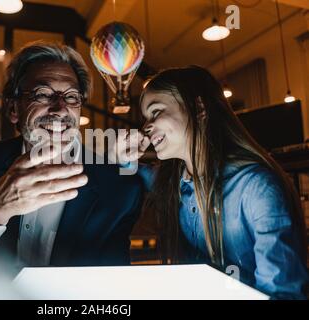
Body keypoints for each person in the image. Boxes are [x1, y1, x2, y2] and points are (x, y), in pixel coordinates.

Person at [115, 65, 308, 299]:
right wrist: (124, 158)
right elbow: (131, 173)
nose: (145, 127)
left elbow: (283, 293)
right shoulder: (171, 182)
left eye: (155, 112)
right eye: (146, 118)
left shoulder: (257, 188)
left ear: (199, 108)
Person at [0, 41, 143, 268]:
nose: (60, 108)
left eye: (71, 97)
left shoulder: (120, 188)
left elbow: (110, 287)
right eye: (43, 94)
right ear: (13, 109)